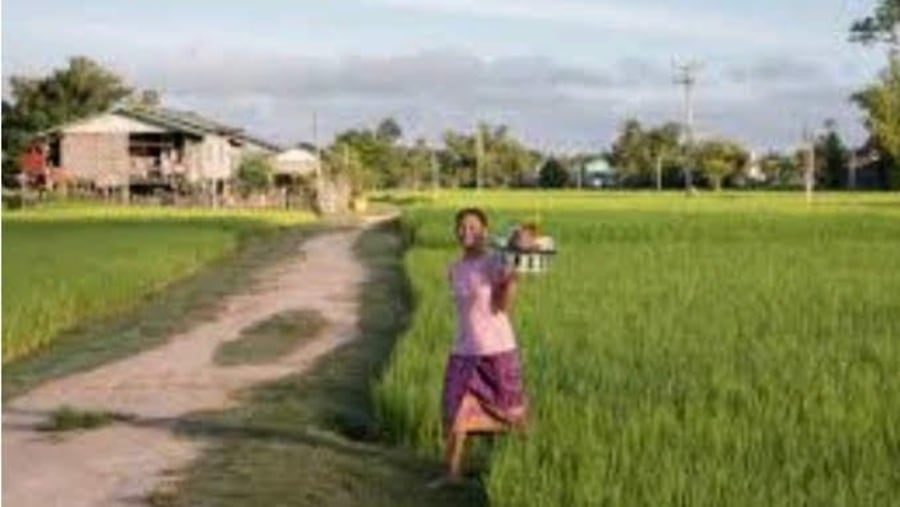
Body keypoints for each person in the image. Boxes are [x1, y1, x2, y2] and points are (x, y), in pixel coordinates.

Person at [432, 207, 528, 487]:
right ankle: (451, 475)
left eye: (473, 227)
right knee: (454, 412)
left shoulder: (495, 262)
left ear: (485, 231)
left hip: (496, 350)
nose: (466, 232)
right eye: (461, 227)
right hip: (463, 350)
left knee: (511, 411)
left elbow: (502, 306)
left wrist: (511, 277)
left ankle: (529, 461)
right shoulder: (454, 268)